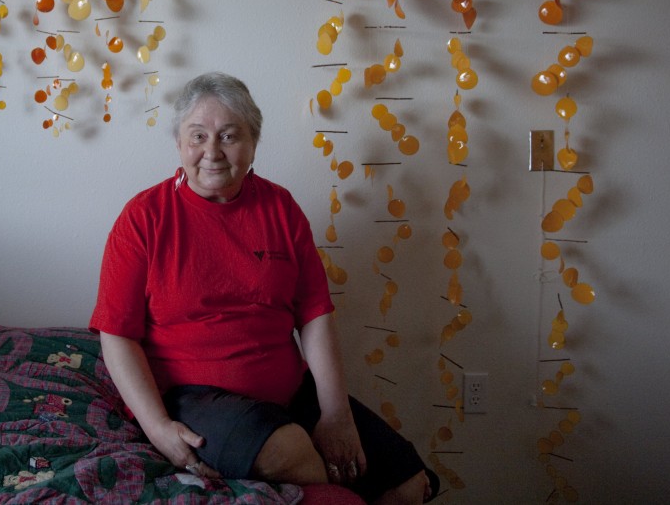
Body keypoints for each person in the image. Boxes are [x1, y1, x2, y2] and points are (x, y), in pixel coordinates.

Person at [90, 72, 438, 504]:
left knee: (411, 483)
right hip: (195, 397)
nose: (212, 152)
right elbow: (117, 334)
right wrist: (158, 428)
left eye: (229, 136)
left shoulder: (281, 208)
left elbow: (314, 315)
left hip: (289, 393)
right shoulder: (143, 218)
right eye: (197, 136)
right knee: (295, 455)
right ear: (179, 144)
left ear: (253, 143)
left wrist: (335, 413)